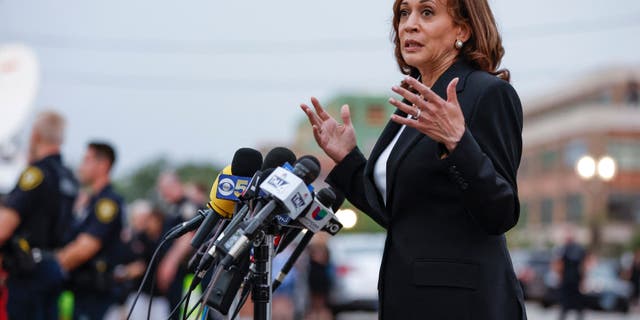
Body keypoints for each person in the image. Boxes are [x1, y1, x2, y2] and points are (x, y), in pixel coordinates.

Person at [301, 0, 525, 318]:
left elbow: (501, 211)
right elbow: (400, 214)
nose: (409, 24)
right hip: (405, 299)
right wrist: (348, 158)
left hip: (464, 305)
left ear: (462, 29)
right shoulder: (412, 103)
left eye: (427, 12)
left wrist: (457, 143)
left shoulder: (487, 93)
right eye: (404, 13)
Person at [0, 111, 78, 320]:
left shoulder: (35, 173)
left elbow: (4, 227)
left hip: (28, 272)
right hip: (53, 267)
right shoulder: (69, 178)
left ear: (35, 135)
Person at [56, 141, 125, 319]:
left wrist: (50, 267)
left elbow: (86, 247)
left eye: (87, 160)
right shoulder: (91, 201)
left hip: (95, 294)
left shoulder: (107, 202)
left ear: (103, 165)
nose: (81, 166)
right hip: (81, 290)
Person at [156, 171, 199, 317]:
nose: (163, 194)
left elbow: (188, 236)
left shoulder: (187, 206)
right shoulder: (174, 207)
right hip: (178, 272)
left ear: (174, 185)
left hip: (186, 270)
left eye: (164, 189)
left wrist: (170, 262)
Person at [554, 233, 587, 320]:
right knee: (566, 301)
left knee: (575, 301)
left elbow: (583, 265)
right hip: (569, 279)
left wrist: (583, 280)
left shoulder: (573, 249)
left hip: (574, 279)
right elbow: (559, 264)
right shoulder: (565, 249)